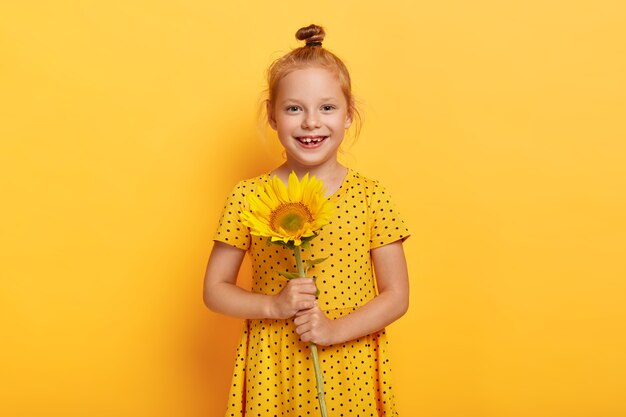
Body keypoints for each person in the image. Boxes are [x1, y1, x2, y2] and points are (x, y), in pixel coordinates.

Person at [203, 24, 410, 416]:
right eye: (294, 108)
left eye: (327, 108)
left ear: (349, 115)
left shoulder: (371, 196)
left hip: (350, 361)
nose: (311, 122)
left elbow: (397, 295)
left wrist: (334, 331)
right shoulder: (248, 197)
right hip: (274, 366)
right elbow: (215, 289)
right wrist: (273, 306)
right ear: (272, 116)